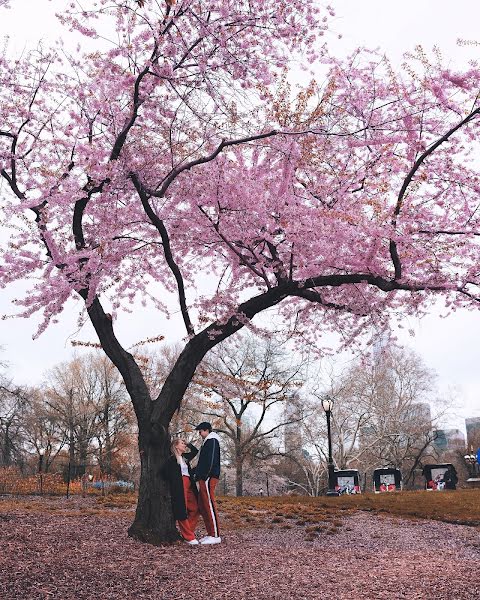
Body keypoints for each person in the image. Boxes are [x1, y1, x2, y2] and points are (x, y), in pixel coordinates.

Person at [161, 438, 200, 545]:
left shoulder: (185, 457)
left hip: (189, 484)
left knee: (196, 508)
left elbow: (195, 451)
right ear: (176, 446)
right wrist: (174, 480)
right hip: (179, 485)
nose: (184, 445)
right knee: (181, 511)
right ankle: (189, 537)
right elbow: (163, 473)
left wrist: (188, 444)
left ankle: (188, 531)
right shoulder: (172, 460)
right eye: (182, 444)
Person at [194, 421, 221, 545]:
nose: (200, 434)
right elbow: (203, 461)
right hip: (205, 477)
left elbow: (210, 460)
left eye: (200, 431)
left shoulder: (212, 441)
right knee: (204, 504)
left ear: (206, 430)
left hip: (208, 477)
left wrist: (204, 475)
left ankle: (215, 535)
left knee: (209, 504)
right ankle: (211, 533)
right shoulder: (208, 442)